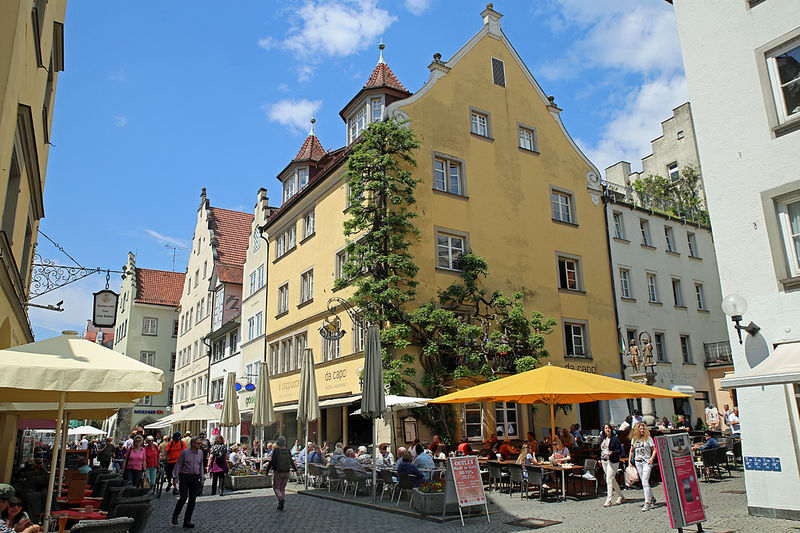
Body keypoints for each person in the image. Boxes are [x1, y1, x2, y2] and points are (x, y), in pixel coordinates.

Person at [172, 437, 205, 528]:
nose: (200, 444)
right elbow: (179, 464)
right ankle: (176, 514)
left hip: (195, 477)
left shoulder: (200, 453)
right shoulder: (185, 452)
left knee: (192, 500)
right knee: (183, 497)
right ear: (193, 444)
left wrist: (202, 478)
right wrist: (175, 476)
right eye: (198, 443)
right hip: (185, 477)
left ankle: (187, 520)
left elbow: (201, 466)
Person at [629, 422, 657, 512]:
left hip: (646, 462)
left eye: (643, 429)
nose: (642, 430)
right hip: (638, 462)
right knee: (644, 481)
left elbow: (654, 449)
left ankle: (647, 502)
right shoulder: (634, 439)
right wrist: (630, 462)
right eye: (640, 429)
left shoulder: (648, 439)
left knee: (645, 481)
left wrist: (652, 458)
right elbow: (631, 450)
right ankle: (652, 497)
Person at [265, 436, 298, 510]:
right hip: (287, 471)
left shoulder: (276, 451)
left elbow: (272, 461)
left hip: (278, 471)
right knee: (282, 488)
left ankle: (280, 499)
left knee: (276, 487)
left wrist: (267, 470)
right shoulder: (288, 450)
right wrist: (296, 470)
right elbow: (291, 461)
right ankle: (281, 503)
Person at [599, 423, 624, 507]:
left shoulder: (615, 439)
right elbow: (600, 449)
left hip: (613, 461)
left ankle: (609, 499)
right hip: (604, 460)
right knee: (612, 480)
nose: (607, 430)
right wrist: (599, 458)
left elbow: (619, 450)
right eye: (605, 428)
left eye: (608, 428)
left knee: (609, 479)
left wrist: (612, 453)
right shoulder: (603, 438)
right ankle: (621, 496)